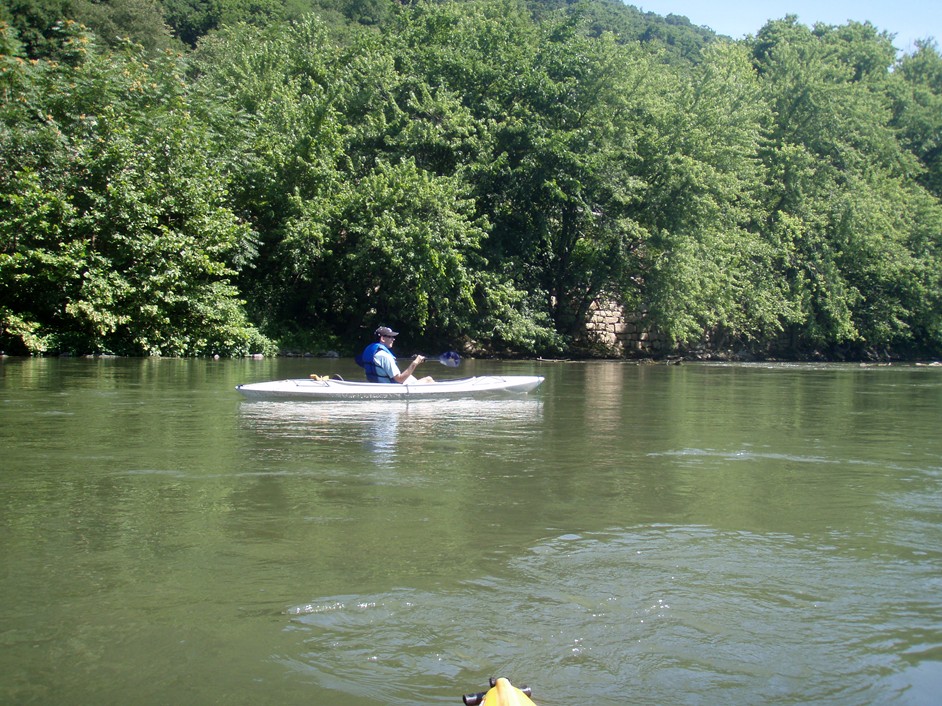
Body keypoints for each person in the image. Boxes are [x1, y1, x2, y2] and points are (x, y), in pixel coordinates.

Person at [357, 326, 434, 384]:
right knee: (428, 379)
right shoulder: (384, 356)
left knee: (410, 377)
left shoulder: (370, 351)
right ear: (383, 339)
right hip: (390, 387)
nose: (393, 339)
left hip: (377, 384)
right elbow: (400, 379)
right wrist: (415, 362)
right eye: (390, 337)